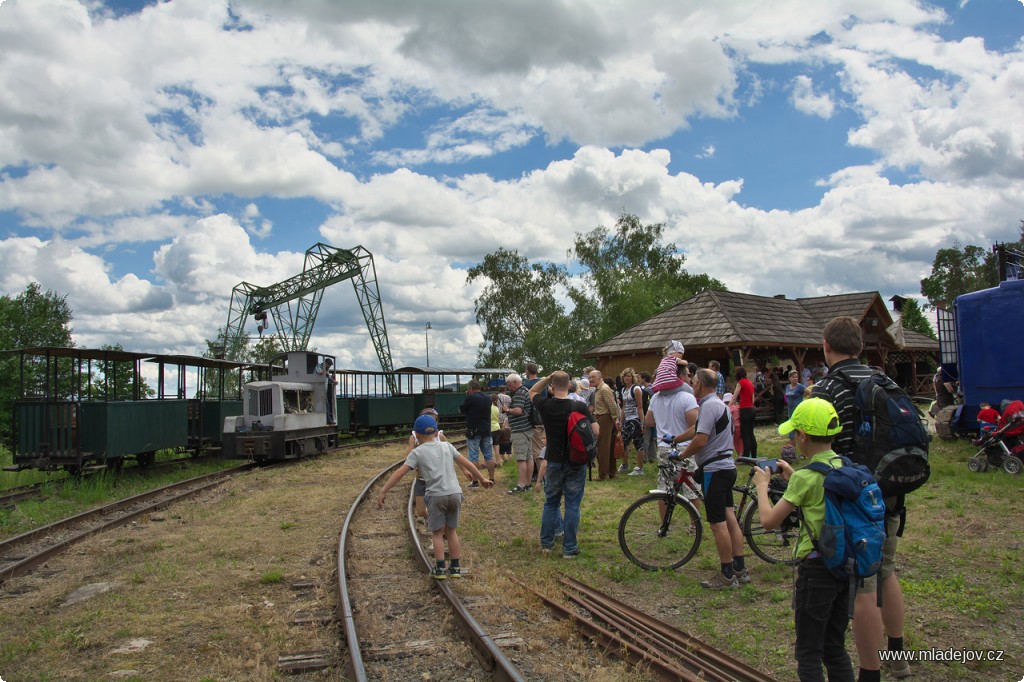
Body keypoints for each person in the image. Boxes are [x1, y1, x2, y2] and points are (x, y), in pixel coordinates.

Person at [811, 316, 910, 681]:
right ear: (859, 346)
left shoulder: (827, 389)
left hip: (853, 500)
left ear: (827, 347)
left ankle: (870, 672)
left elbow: (815, 445)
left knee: (862, 585)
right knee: (885, 571)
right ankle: (897, 654)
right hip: (891, 491)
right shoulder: (883, 380)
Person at [752, 397, 854, 682]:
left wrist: (762, 487)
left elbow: (769, 521)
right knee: (835, 648)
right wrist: (794, 474)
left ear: (803, 436)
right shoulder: (844, 465)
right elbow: (821, 494)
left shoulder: (805, 479)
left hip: (816, 569)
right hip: (845, 565)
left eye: (794, 433)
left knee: (808, 653)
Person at [378, 414, 493, 578]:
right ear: (437, 431)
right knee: (452, 531)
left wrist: (384, 491)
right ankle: (455, 568)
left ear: (416, 434)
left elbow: (400, 472)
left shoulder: (417, 453)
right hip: (455, 493)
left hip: (436, 495)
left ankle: (439, 568)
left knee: (438, 533)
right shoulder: (447, 446)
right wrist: (481, 478)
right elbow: (466, 462)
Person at [672, 368, 747, 589]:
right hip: (727, 466)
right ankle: (740, 568)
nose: (692, 384)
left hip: (714, 469)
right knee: (729, 516)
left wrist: (681, 454)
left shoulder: (707, 406)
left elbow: (701, 439)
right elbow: (697, 429)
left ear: (700, 384)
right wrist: (676, 438)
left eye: (694, 381)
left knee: (717, 523)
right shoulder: (718, 405)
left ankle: (726, 574)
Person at [529, 371, 598, 558]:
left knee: (551, 503)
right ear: (569, 386)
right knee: (572, 505)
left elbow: (533, 391)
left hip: (553, 460)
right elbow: (596, 430)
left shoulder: (545, 405)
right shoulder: (579, 406)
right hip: (576, 462)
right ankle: (569, 548)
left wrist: (547, 378)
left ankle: (547, 544)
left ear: (552, 386)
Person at [646, 361, 700, 509]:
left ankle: (664, 526)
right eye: (688, 375)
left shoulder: (656, 397)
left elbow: (649, 421)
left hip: (664, 447)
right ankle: (694, 526)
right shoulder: (687, 397)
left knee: (664, 490)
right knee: (692, 489)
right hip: (684, 447)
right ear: (680, 376)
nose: (690, 378)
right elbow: (695, 425)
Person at [406, 407, 447, 519]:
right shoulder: (415, 437)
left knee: (437, 505)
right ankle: (433, 519)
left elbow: (450, 452)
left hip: (438, 478)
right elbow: (409, 456)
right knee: (421, 511)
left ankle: (439, 525)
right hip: (421, 478)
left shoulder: (440, 436)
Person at [459, 379, 494, 485]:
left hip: (474, 430)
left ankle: (475, 481)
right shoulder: (488, 398)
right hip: (487, 430)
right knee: (489, 455)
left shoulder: (470, 398)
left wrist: (467, 397)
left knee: (473, 456)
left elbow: (461, 410)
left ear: (470, 388)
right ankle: (492, 478)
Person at [505, 373, 535, 493]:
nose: (508, 387)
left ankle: (521, 485)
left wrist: (507, 409)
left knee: (521, 458)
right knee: (529, 457)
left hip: (520, 429)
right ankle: (528, 484)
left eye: (509, 384)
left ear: (516, 383)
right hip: (527, 428)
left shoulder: (519, 393)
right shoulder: (525, 391)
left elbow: (518, 410)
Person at [589, 369, 619, 480]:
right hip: (603, 418)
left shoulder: (604, 389)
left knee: (603, 447)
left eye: (593, 377)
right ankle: (611, 472)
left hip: (605, 418)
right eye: (590, 377)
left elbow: (612, 406)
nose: (591, 379)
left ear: (600, 377)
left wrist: (615, 419)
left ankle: (603, 474)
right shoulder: (598, 389)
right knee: (608, 446)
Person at [617, 368, 647, 475]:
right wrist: (621, 421)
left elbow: (640, 407)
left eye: (629, 376)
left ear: (632, 377)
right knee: (624, 442)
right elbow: (624, 407)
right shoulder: (624, 390)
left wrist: (642, 423)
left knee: (638, 443)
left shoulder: (636, 389)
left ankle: (639, 468)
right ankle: (625, 465)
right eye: (625, 376)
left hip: (635, 419)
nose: (626, 378)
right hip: (627, 419)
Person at [730, 367, 757, 456]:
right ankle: (754, 454)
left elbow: (734, 397)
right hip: (752, 409)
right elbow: (752, 398)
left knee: (745, 433)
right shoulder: (750, 383)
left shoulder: (740, 383)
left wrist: (727, 407)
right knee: (751, 433)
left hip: (745, 410)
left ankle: (745, 454)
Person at [784, 370, 808, 440]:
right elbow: (786, 395)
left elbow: (810, 392)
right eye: (793, 377)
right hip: (790, 412)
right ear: (789, 378)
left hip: (798, 412)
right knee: (791, 434)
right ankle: (793, 448)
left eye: (796, 377)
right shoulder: (787, 387)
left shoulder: (800, 387)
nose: (795, 379)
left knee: (800, 432)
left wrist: (806, 400)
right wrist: (786, 401)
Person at [316, 357, 336, 424]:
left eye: (330, 365)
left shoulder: (326, 370)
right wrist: (325, 373)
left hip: (323, 390)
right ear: (325, 363)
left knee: (325, 405)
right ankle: (328, 420)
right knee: (326, 405)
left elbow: (328, 378)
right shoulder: (319, 366)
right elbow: (320, 372)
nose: (329, 366)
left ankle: (326, 419)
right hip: (318, 389)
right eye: (328, 365)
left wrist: (333, 381)